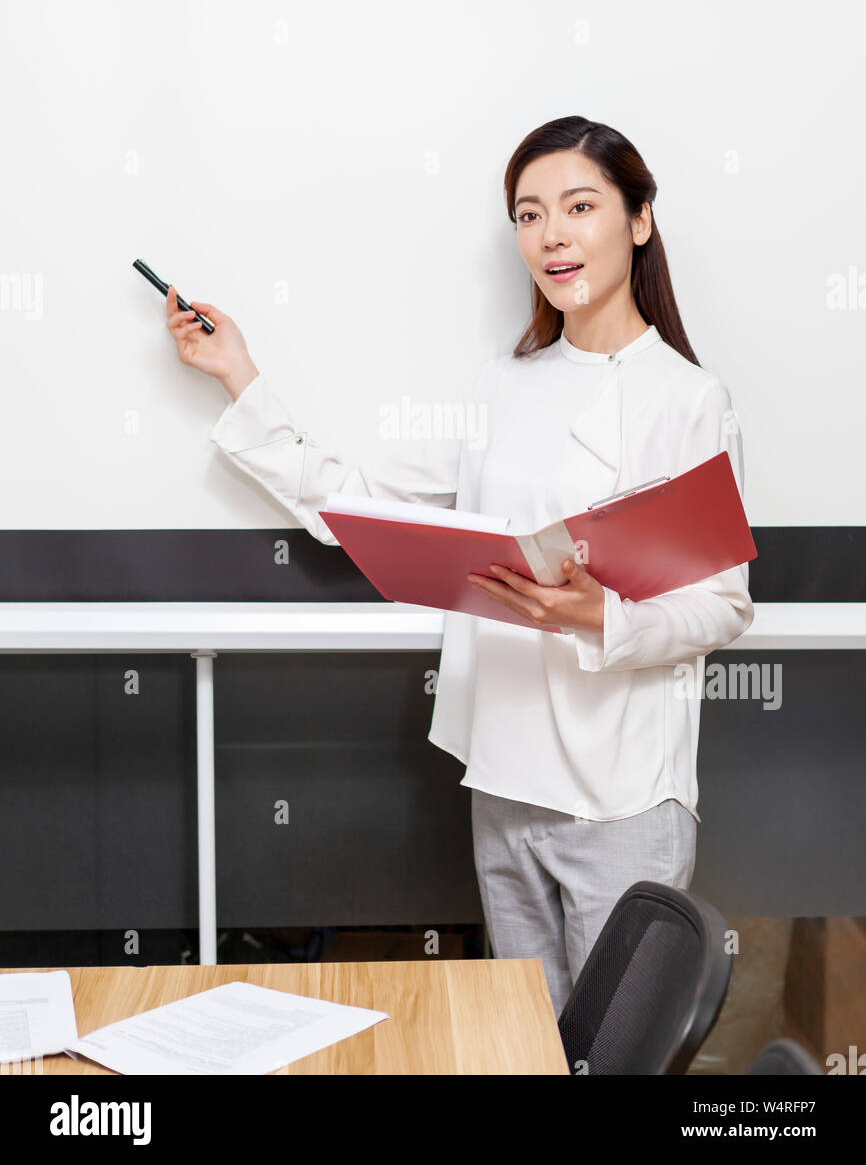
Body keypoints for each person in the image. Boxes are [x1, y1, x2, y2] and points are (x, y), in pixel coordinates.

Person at [166, 114, 754, 1019]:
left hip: (624, 797)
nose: (551, 235)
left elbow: (722, 608)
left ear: (639, 221)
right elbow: (354, 505)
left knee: (616, 1052)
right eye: (527, 214)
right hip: (502, 780)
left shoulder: (690, 399)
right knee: (524, 1046)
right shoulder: (501, 388)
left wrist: (603, 618)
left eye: (579, 206)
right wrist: (239, 375)